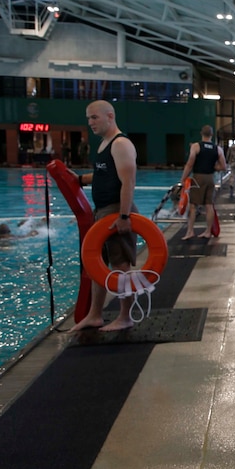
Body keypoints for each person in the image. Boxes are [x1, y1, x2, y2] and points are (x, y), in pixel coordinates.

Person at [72, 100, 139, 332]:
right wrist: (79, 180)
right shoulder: (104, 144)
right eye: (88, 118)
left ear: (110, 116)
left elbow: (128, 182)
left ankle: (126, 316)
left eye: (94, 118)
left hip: (116, 210)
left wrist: (123, 215)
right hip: (102, 211)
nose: (90, 122)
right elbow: (105, 175)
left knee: (120, 265)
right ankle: (95, 314)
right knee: (95, 263)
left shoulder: (120, 144)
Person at [180, 125, 226, 240]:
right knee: (209, 205)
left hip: (198, 178)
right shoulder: (217, 149)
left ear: (201, 133)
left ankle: (190, 231)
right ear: (211, 135)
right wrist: (213, 167)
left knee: (193, 205)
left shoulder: (196, 146)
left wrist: (183, 179)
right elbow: (223, 166)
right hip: (210, 178)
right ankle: (207, 232)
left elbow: (190, 164)